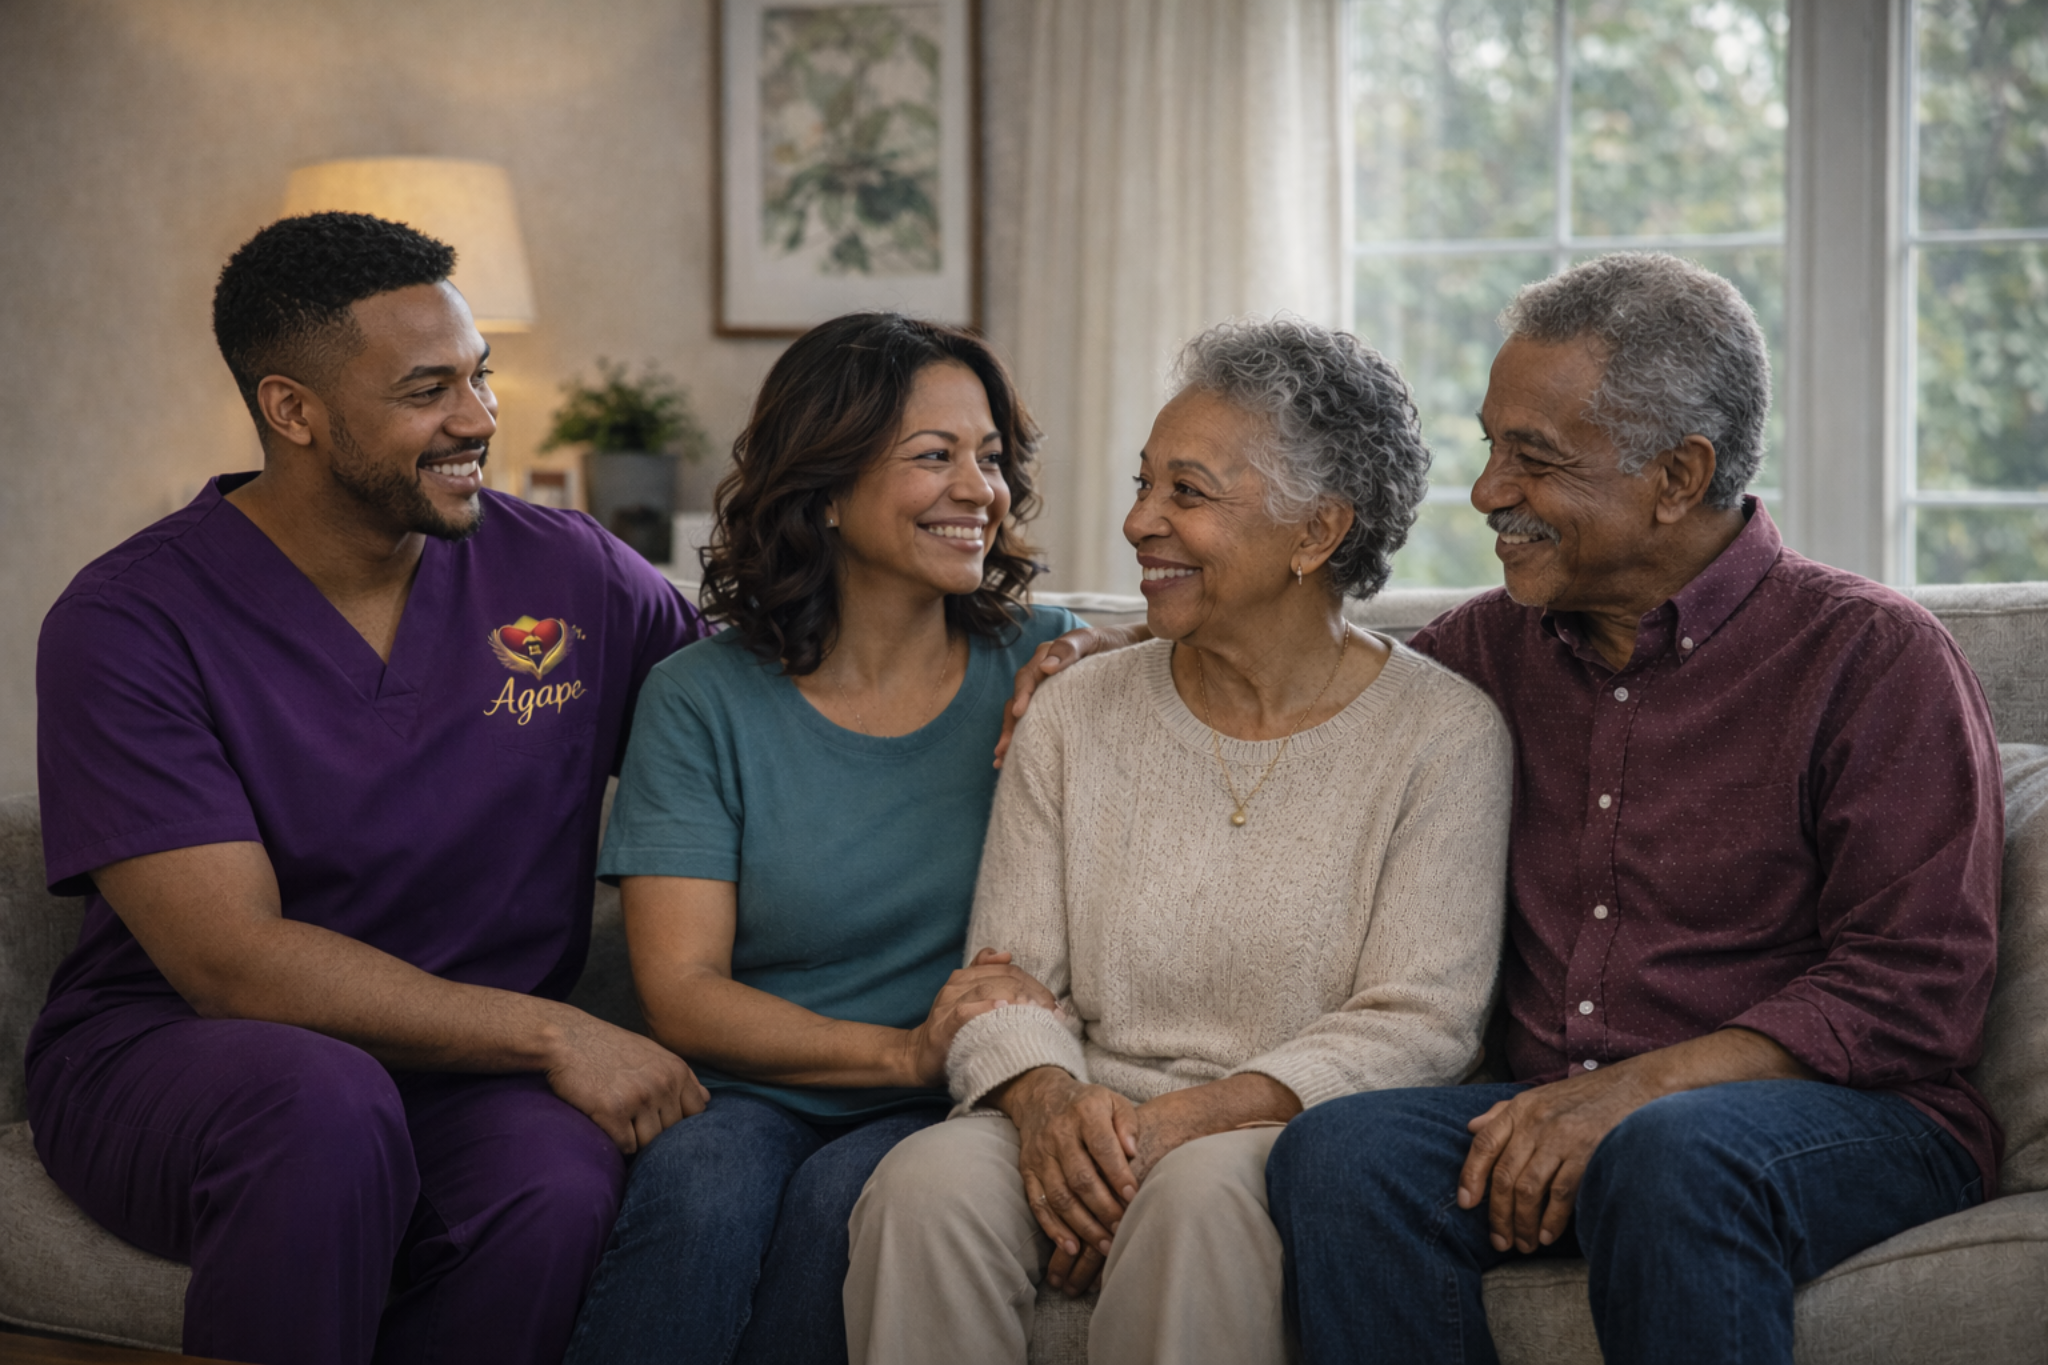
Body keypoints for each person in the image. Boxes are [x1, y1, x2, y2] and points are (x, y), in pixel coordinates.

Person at [1264, 253, 2002, 1365]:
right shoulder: (1478, 654)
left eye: (1534, 458)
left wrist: (1632, 1093)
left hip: (1854, 1119)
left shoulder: (1871, 656)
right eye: (1490, 447)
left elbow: (1914, 988)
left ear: (1677, 474)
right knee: (1341, 1155)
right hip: (1560, 1105)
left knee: (1668, 1152)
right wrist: (1120, 658)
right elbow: (1304, 697)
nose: (1486, 493)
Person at [26, 212, 716, 1365]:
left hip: (461, 1073)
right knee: (321, 1106)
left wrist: (1024, 665)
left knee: (555, 1182)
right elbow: (230, 963)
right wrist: (554, 1032)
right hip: (185, 1056)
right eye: (426, 390)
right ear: (292, 410)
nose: (479, 419)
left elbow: (761, 710)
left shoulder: (567, 571)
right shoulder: (129, 622)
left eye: (479, 376)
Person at [843, 317, 1515, 1365]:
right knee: (922, 1187)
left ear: (1316, 532)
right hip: (1081, 1103)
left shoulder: (1442, 734)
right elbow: (1003, 979)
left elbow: (1420, 1023)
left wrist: (1182, 1122)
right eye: (1142, 482)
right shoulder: (1075, 707)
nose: (1137, 521)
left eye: (1186, 493)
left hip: (1281, 1126)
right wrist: (1049, 1103)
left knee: (1197, 1196)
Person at [562, 313, 1136, 1365]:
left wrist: (1128, 643)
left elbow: (1247, 653)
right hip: (756, 1089)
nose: (979, 489)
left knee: (845, 1201)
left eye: (990, 457)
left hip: (959, 1095)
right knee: (698, 1188)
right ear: (824, 488)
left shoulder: (1054, 664)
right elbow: (681, 990)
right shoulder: (698, 697)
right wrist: (896, 1050)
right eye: (934, 456)